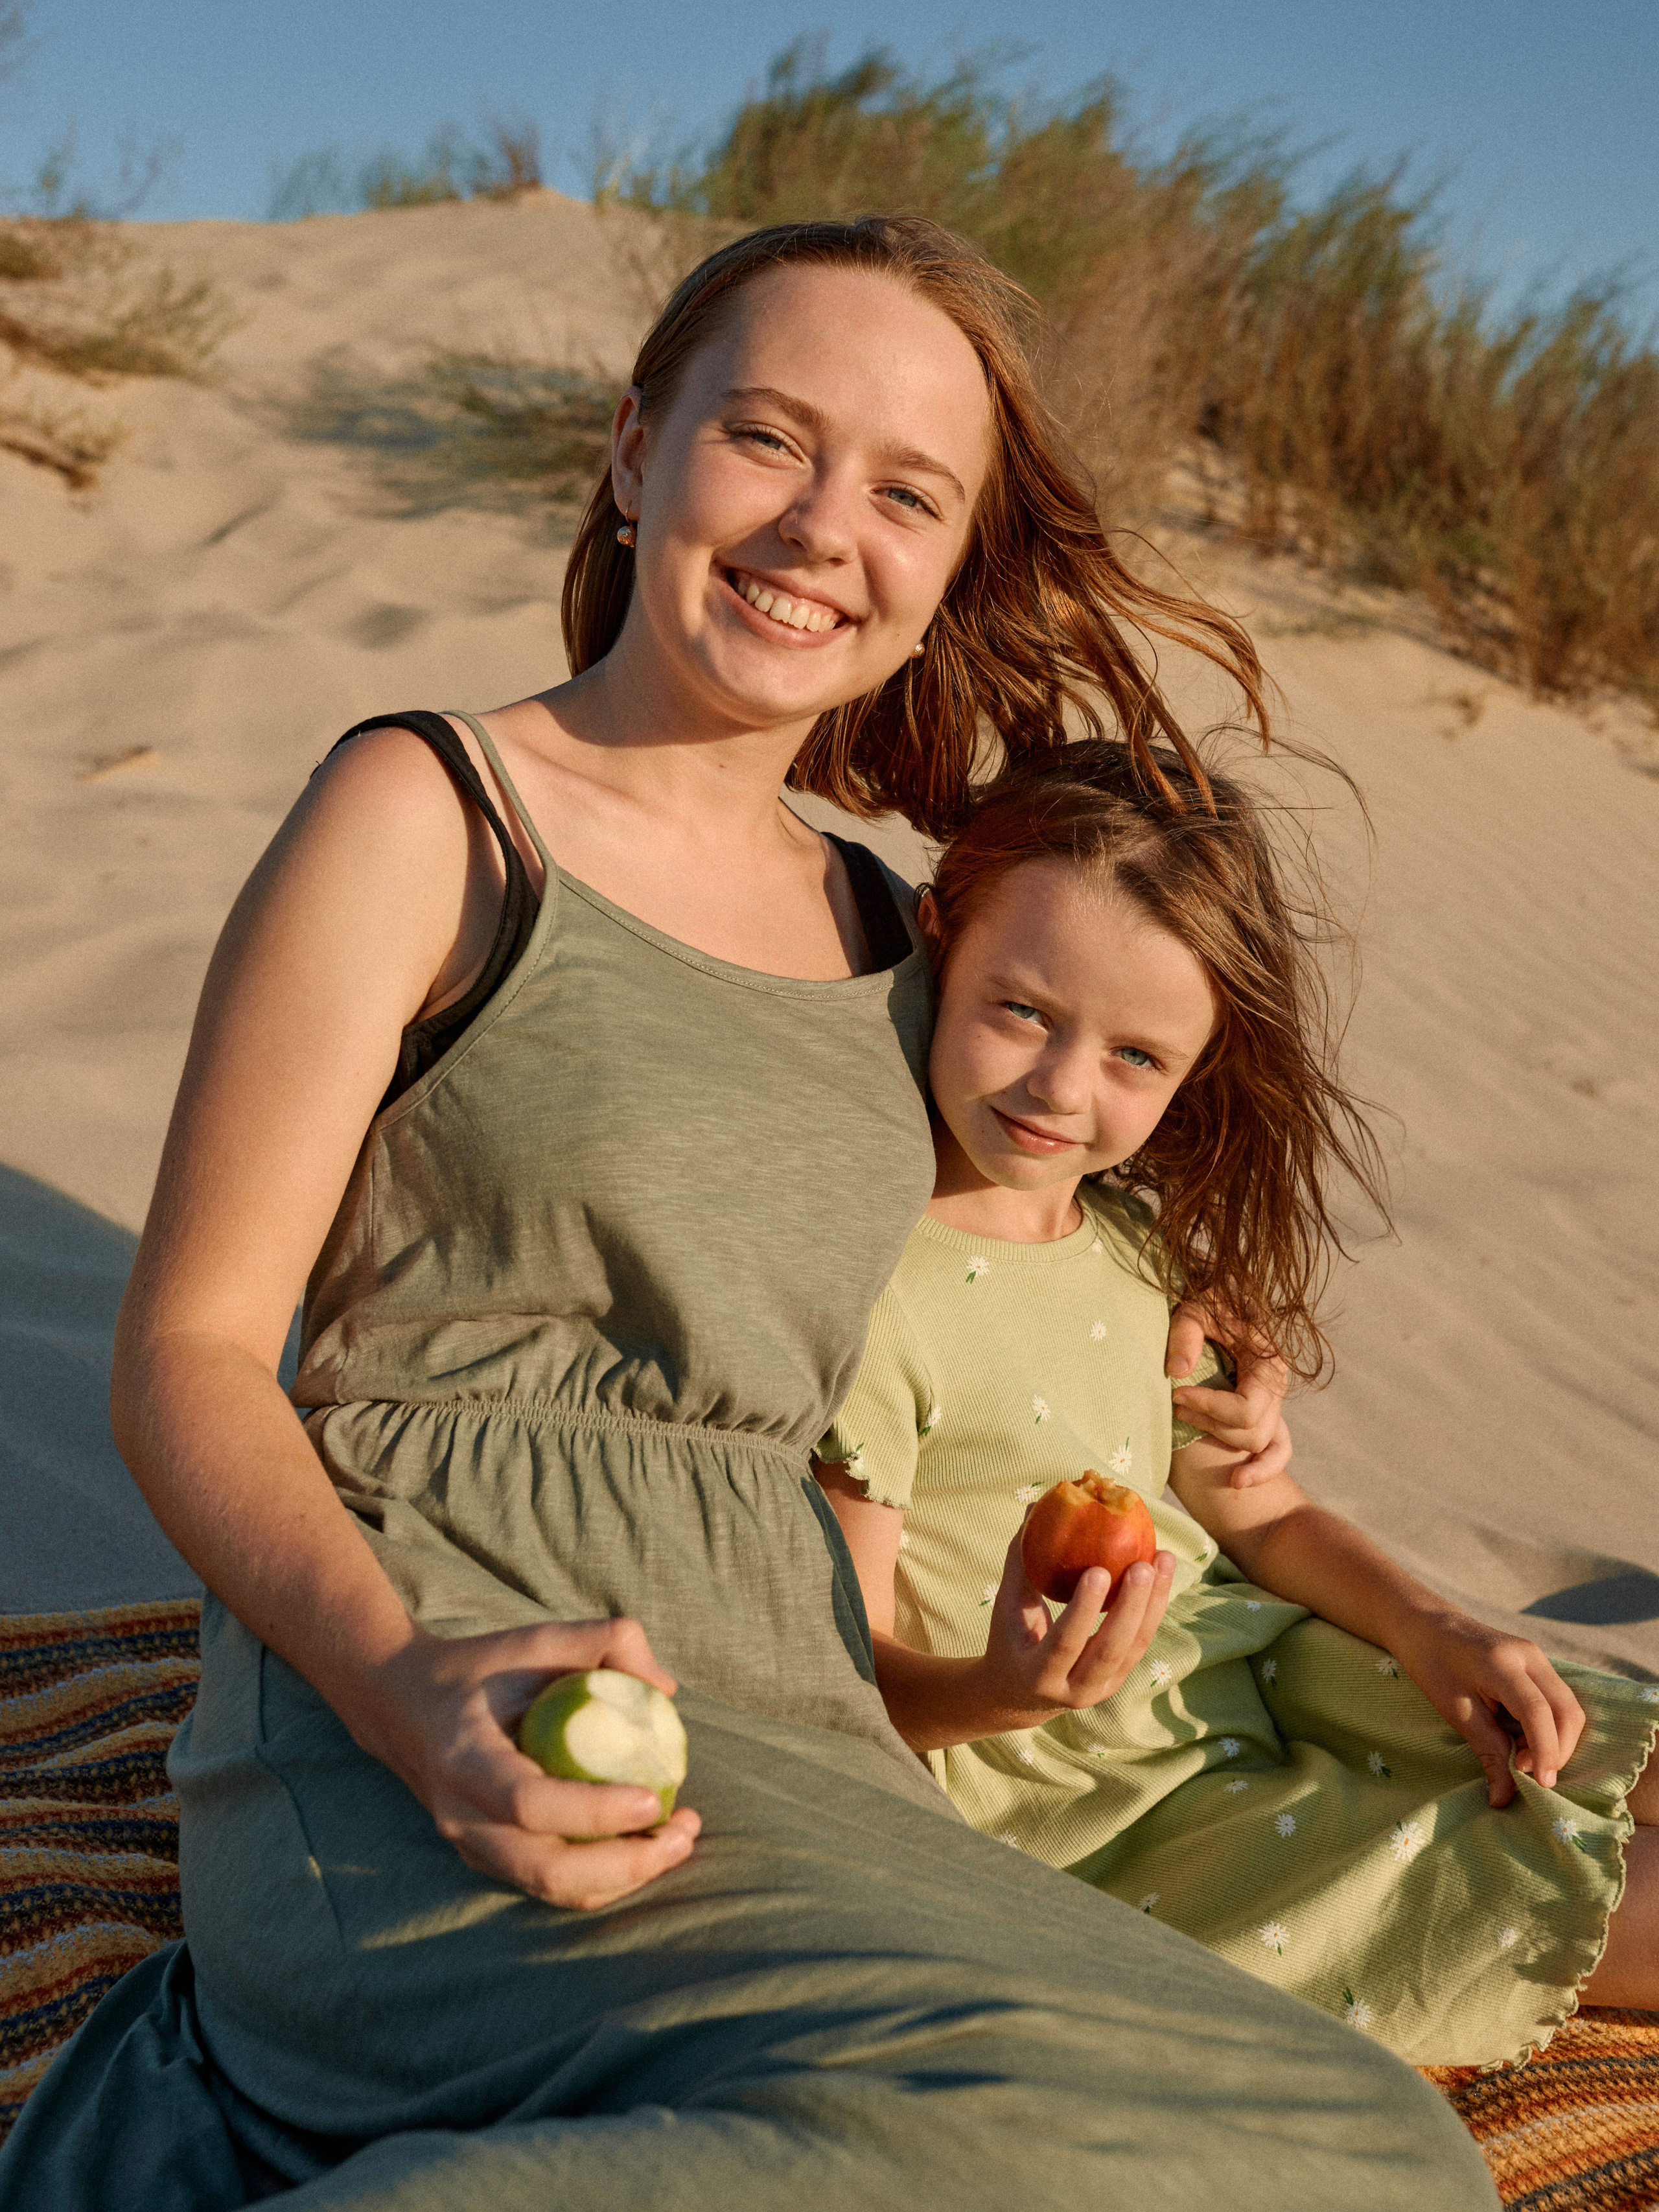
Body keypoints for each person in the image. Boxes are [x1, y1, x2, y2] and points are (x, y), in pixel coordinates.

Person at [0, 217, 1497, 2206]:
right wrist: (397, 1682)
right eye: (766, 440)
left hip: (814, 1721)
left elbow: (1023, 1225)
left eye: (905, 491)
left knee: (1373, 2140)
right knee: (968, 2137)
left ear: (955, 557)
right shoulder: (436, 814)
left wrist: (1208, 1355)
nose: (820, 529)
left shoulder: (904, 933)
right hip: (456, 1674)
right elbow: (186, 1353)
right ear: (637, 449)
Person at [814, 738, 1658, 2071]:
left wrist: (1434, 1628)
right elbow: (843, 1677)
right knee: (1563, 1897)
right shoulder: (877, 1294)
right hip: (1108, 1806)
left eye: (1135, 1058)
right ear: (938, 939)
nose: (1059, 1089)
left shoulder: (1134, 1252)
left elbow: (1252, 1513)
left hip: (1262, 1669)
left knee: (1598, 1739)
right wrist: (995, 1687)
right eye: (1021, 1011)